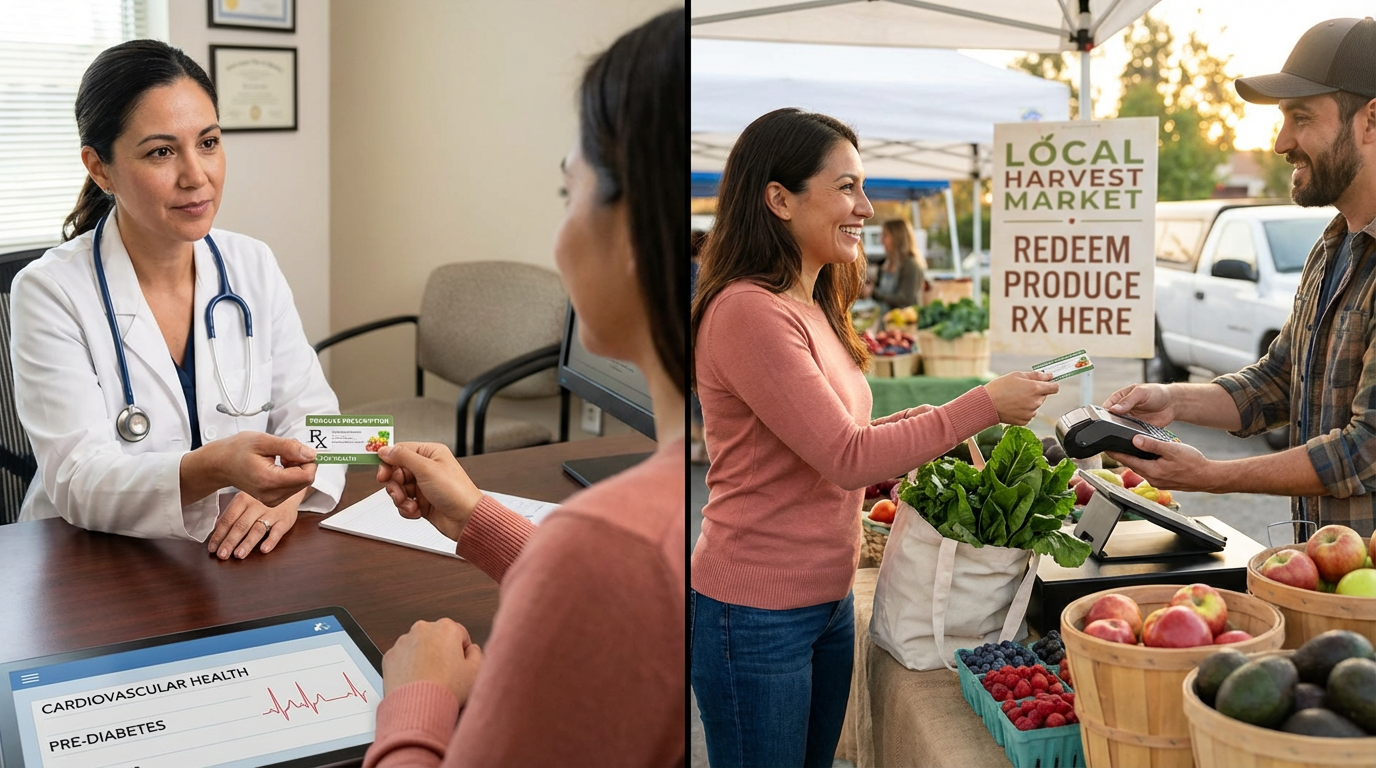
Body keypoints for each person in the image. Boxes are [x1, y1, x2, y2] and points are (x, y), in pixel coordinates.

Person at [361, 10, 684, 767]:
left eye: (567, 191)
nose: (559, 235)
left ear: (631, 233)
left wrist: (417, 695)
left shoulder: (610, 545)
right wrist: (481, 519)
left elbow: (608, 578)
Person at [689, 107, 1058, 768]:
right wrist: (982, 406)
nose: (864, 206)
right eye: (847, 187)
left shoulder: (809, 302)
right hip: (755, 613)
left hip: (823, 602)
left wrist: (942, 416)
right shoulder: (748, 311)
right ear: (778, 198)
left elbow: (843, 433)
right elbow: (846, 458)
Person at [10, 39, 342, 557]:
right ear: (100, 168)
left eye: (208, 142)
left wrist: (294, 488)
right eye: (161, 152)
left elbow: (334, 429)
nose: (196, 176)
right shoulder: (49, 291)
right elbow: (76, 482)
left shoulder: (253, 264)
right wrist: (213, 466)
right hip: (97, 566)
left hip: (240, 556)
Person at [1104, 17, 1376, 538]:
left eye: (1300, 117)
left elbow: (1366, 450)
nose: (1281, 142)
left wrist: (1211, 476)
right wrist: (1172, 400)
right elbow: (1276, 381)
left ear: (1370, 122)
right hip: (1324, 573)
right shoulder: (1333, 244)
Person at [868, 218, 926, 310]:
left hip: (903, 323)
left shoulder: (911, 265)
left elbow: (905, 300)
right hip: (885, 321)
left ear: (897, 238)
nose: (881, 240)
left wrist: (874, 292)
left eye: (885, 235)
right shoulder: (887, 263)